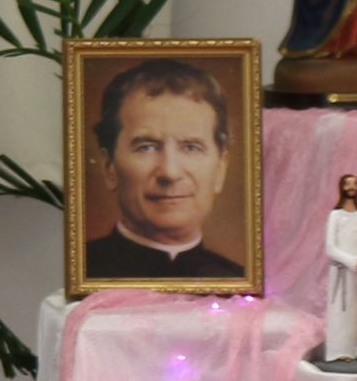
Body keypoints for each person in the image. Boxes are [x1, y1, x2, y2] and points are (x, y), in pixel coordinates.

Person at [78, 57, 244, 281]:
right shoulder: (83, 273)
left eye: (191, 147)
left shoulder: (239, 283)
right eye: (146, 147)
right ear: (110, 168)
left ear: (220, 169)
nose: (170, 172)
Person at [321, 172, 357, 362]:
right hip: (340, 272)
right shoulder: (335, 215)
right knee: (338, 312)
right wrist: (352, 262)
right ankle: (337, 351)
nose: (352, 187)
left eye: (355, 183)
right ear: (342, 187)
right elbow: (330, 247)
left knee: (354, 312)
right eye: (348, 184)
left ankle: (351, 349)